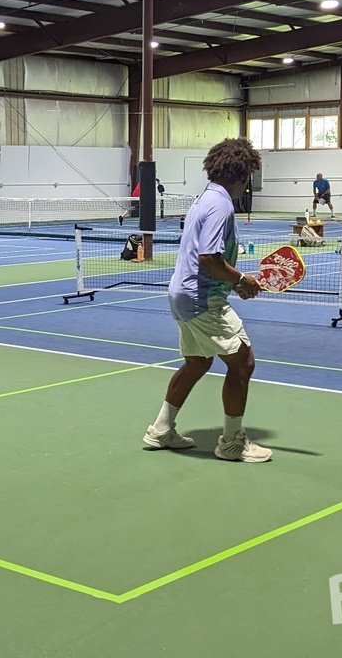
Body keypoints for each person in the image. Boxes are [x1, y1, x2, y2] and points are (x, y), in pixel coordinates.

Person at [142, 138, 272, 463]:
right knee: (243, 363)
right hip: (201, 299)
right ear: (242, 174)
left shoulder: (204, 199)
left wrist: (236, 281)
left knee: (199, 361)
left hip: (183, 295)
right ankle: (232, 443)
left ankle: (161, 429)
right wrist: (241, 280)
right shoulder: (221, 204)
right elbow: (209, 258)